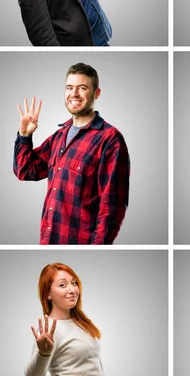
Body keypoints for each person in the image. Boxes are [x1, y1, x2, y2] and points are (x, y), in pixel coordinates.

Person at [14, 63, 130, 244]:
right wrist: (25, 135)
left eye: (82, 88)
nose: (74, 94)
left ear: (96, 94)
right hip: (49, 241)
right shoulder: (60, 136)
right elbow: (26, 171)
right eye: (69, 88)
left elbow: (111, 207)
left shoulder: (110, 139)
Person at [25, 262, 120, 376]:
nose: (72, 289)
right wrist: (43, 353)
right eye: (63, 285)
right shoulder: (50, 330)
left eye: (74, 283)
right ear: (48, 294)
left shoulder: (84, 325)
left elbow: (98, 371)